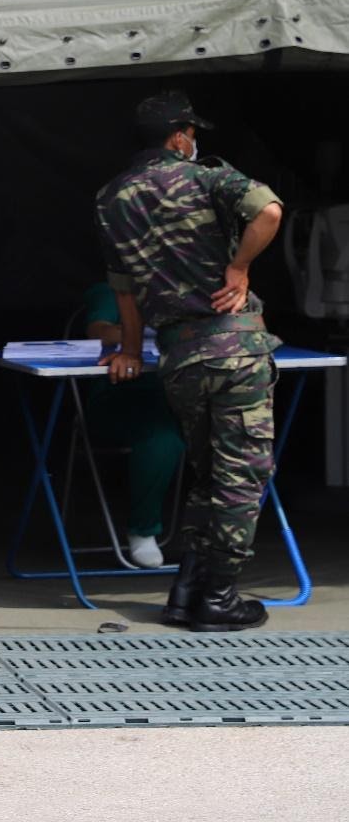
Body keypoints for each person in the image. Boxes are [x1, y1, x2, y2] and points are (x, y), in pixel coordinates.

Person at [95, 90, 283, 632]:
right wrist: (240, 268)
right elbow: (268, 210)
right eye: (192, 133)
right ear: (180, 136)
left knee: (209, 475)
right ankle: (220, 598)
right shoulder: (204, 177)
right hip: (234, 349)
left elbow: (125, 293)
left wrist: (131, 349)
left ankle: (186, 592)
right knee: (241, 478)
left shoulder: (111, 198)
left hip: (179, 356)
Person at [80, 282, 185, 568]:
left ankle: (223, 539)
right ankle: (144, 529)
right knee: (161, 439)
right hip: (125, 394)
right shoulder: (114, 287)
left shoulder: (192, 282)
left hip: (186, 392)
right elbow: (99, 329)